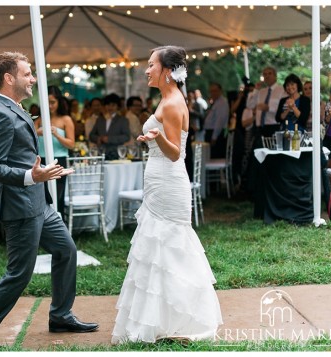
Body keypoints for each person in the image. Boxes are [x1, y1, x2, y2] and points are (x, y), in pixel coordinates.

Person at [0, 51, 98, 348]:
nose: (33, 78)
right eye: (28, 73)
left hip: (39, 202)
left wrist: (45, 174)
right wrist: (31, 177)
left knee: (66, 250)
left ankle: (61, 315)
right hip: (20, 206)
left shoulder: (16, 107)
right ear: (9, 78)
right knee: (19, 274)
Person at [112, 45, 222, 344]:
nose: (147, 70)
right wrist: (152, 138)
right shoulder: (168, 99)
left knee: (170, 249)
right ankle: (160, 320)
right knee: (157, 251)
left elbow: (175, 154)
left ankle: (181, 319)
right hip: (159, 184)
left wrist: (157, 137)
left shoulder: (173, 103)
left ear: (168, 71)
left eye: (151, 65)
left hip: (169, 183)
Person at [34, 85, 75, 218]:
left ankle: (59, 226)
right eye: (47, 102)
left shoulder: (66, 119)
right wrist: (37, 133)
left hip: (59, 160)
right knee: (42, 197)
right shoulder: (39, 120)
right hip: (42, 161)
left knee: (58, 196)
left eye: (52, 102)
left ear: (59, 102)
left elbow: (72, 144)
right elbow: (28, 141)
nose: (50, 106)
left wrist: (57, 135)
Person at [246, 66, 286, 140]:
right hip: (259, 127)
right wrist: (256, 90)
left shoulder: (282, 90)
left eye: (269, 73)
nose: (267, 76)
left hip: (274, 125)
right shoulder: (261, 91)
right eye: (265, 74)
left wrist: (269, 108)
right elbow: (249, 105)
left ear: (275, 76)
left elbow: (284, 109)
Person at [89, 93, 131, 160]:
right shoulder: (100, 119)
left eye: (113, 105)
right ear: (105, 106)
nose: (110, 107)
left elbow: (126, 137)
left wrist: (109, 139)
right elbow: (91, 135)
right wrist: (98, 138)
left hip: (117, 154)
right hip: (101, 153)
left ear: (117, 106)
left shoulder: (123, 120)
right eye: (108, 105)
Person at [203, 82, 229, 158]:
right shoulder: (216, 102)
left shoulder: (222, 102)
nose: (213, 93)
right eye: (211, 91)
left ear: (220, 91)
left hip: (215, 133)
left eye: (215, 91)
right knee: (210, 155)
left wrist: (214, 137)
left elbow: (219, 121)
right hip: (211, 132)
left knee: (214, 155)